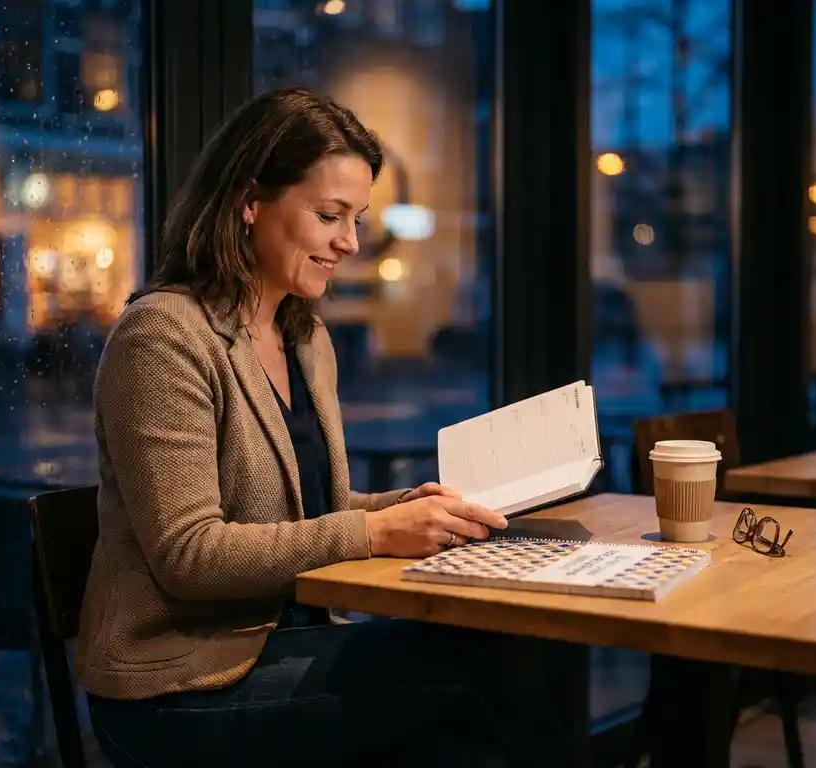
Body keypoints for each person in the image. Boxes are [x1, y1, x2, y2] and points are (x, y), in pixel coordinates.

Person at [78, 87, 572, 767]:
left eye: (359, 218)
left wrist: (407, 510)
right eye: (330, 215)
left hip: (285, 645)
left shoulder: (303, 337)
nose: (351, 242)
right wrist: (372, 531)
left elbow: (309, 515)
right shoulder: (163, 336)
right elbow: (190, 554)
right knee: (478, 683)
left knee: (490, 672)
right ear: (250, 201)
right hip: (180, 684)